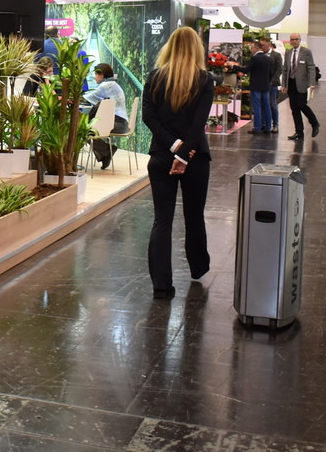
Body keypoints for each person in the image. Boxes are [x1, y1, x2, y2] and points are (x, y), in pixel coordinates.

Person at [141, 26, 214, 299]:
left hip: (161, 157)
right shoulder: (205, 80)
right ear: (197, 49)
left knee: (162, 220)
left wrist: (173, 147)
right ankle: (198, 268)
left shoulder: (155, 77)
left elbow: (149, 117)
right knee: (194, 216)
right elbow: (198, 124)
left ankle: (161, 285)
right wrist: (183, 153)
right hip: (196, 158)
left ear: (169, 47)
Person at [82, 63, 128, 168]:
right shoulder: (113, 84)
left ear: (102, 75)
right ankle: (105, 154)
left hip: (117, 123)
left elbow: (87, 98)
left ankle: (107, 151)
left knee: (84, 130)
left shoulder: (106, 85)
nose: (94, 77)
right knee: (88, 129)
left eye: (95, 74)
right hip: (121, 123)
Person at [227, 41, 273, 134]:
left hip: (256, 85)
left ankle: (257, 128)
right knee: (266, 106)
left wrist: (233, 66)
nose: (251, 50)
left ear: (256, 48)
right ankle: (268, 127)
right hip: (265, 85)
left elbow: (246, 70)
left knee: (257, 107)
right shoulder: (268, 58)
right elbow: (271, 73)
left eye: (252, 48)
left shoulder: (255, 58)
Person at [281, 33, 320, 140]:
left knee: (302, 105)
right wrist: (284, 84)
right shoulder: (288, 52)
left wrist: (312, 83)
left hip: (302, 84)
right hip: (291, 83)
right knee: (294, 108)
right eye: (292, 39)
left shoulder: (306, 52)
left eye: (296, 39)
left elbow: (311, 68)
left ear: (299, 40)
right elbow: (285, 69)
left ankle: (314, 123)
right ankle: (299, 132)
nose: (294, 41)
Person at [266, 40, 282, 133]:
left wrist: (273, 81)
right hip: (262, 83)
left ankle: (275, 124)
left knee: (273, 104)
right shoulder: (261, 54)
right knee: (264, 104)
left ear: (269, 45)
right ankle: (265, 124)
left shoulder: (276, 55)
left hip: (272, 84)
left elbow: (279, 69)